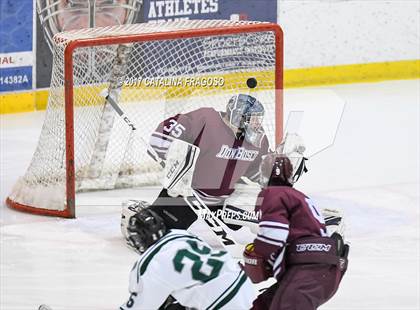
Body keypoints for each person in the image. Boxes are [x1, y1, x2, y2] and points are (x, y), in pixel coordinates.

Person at [146, 93, 270, 230]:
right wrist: (172, 156)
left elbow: (257, 170)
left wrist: (275, 176)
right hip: (189, 196)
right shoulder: (206, 119)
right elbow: (160, 139)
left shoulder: (258, 140)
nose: (257, 124)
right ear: (237, 116)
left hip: (223, 201)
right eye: (252, 119)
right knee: (160, 230)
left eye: (258, 119)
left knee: (258, 224)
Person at [242, 154, 349, 310]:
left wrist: (257, 255)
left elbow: (273, 237)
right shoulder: (298, 196)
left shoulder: (273, 194)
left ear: (264, 174)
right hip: (322, 270)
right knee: (262, 306)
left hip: (308, 270)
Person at [120, 205, 257, 310]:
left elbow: (140, 306)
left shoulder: (149, 263)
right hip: (243, 283)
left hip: (220, 302)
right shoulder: (181, 234)